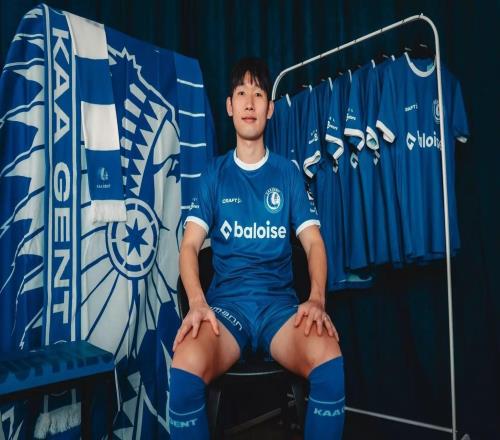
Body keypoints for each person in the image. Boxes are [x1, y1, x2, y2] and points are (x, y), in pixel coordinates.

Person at [168, 57, 345, 440]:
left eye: (259, 94)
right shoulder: (214, 175)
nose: (250, 102)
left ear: (270, 108)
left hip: (278, 311)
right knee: (184, 369)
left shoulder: (287, 173)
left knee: (329, 361)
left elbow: (314, 243)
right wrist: (197, 302)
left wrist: (316, 298)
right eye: (241, 93)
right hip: (226, 311)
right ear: (229, 106)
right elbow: (189, 246)